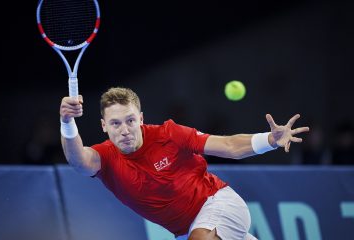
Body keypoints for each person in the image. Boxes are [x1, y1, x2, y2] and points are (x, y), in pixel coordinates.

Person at [59, 87, 309, 240]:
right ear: (104, 126)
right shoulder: (105, 157)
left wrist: (270, 140)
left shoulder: (169, 134)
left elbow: (229, 146)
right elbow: (79, 162)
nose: (124, 130)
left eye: (130, 121)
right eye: (115, 123)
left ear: (141, 118)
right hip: (186, 231)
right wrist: (67, 122)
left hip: (216, 204)